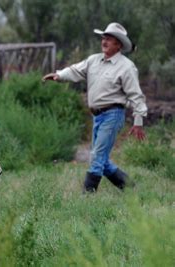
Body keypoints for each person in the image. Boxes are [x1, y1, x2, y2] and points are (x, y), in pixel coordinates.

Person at [42, 22, 148, 192]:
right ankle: (131, 188)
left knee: (97, 157)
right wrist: (59, 75)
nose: (104, 41)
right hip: (97, 116)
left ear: (119, 44)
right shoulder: (93, 60)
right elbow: (76, 70)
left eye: (109, 39)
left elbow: (136, 96)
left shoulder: (127, 67)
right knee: (101, 160)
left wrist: (138, 121)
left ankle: (87, 197)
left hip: (113, 115)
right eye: (104, 38)